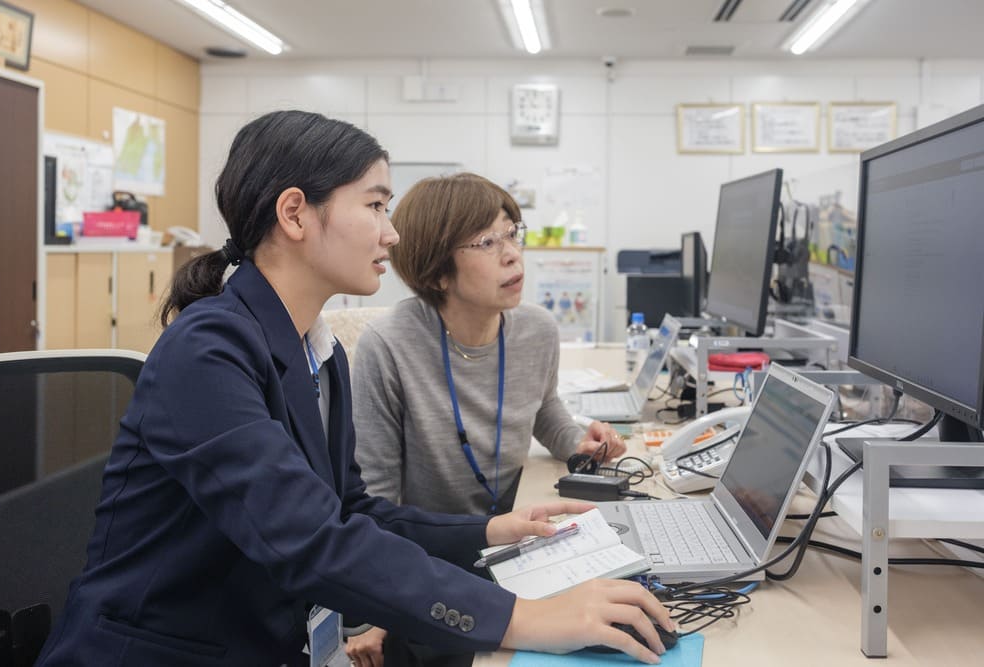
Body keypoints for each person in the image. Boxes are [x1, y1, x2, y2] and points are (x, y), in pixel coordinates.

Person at [36, 112, 672, 666]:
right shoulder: (207, 352)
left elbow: (351, 511)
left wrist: (489, 532)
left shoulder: (319, 350)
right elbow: (311, 541)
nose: (390, 234)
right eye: (374, 206)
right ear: (295, 214)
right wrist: (524, 617)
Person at [348, 173, 629, 666]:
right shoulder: (388, 346)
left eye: (512, 233)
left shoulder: (536, 330)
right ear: (437, 273)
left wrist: (575, 442)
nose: (512, 253)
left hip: (520, 540)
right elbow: (375, 502)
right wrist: (378, 615)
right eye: (486, 242)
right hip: (434, 560)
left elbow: (543, 409)